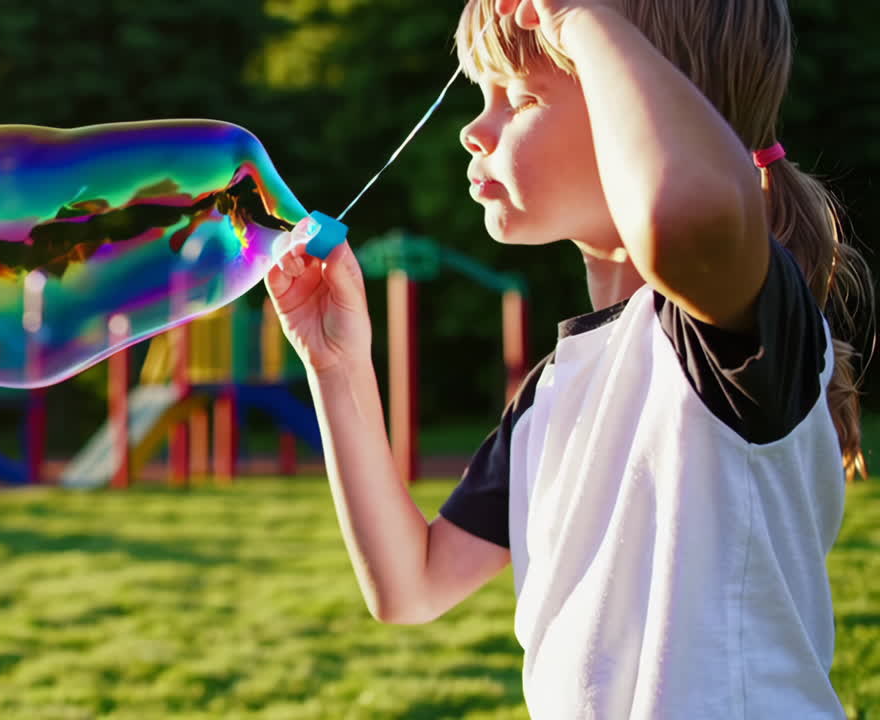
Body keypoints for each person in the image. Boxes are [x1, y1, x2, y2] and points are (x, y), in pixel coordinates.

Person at [264, 0, 874, 717]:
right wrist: (337, 367)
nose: (473, 130)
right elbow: (410, 584)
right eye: (480, 95)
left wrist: (584, 20)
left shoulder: (730, 325)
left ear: (652, 100)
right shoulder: (554, 387)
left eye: (520, 97)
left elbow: (684, 215)